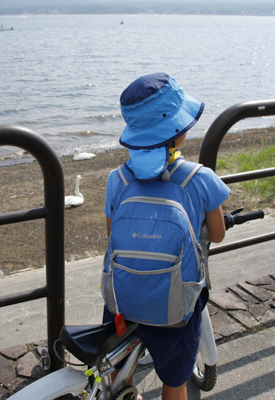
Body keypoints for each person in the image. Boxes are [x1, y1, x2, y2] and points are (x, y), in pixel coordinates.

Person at [103, 72, 229, 400]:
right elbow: (217, 235)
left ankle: (121, 389)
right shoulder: (200, 179)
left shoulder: (118, 180)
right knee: (175, 380)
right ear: (178, 131)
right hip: (174, 311)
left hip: (122, 302)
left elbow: (110, 235)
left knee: (117, 363)